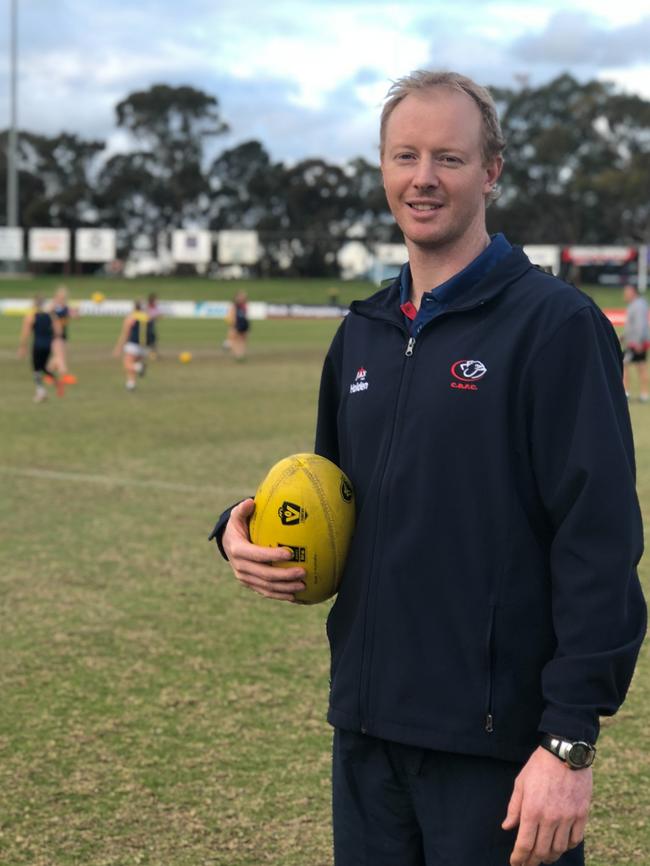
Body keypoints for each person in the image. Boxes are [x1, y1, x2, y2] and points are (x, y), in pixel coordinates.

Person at [210, 71, 646, 866]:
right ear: (382, 168)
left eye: (448, 157)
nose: (423, 178)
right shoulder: (363, 334)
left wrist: (569, 741)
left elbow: (601, 543)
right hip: (368, 736)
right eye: (404, 156)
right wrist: (238, 531)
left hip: (498, 754)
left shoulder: (555, 328)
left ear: (492, 171)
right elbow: (339, 496)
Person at [18, 296, 64, 402]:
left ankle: (41, 392)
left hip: (37, 345)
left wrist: (23, 347)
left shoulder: (32, 316)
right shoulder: (51, 316)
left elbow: (26, 332)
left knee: (36, 369)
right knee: (43, 367)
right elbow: (58, 331)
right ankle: (56, 383)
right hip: (48, 345)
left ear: (34, 304)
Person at [113, 300, 148, 391]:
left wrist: (118, 347)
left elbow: (125, 333)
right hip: (144, 346)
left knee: (127, 363)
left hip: (132, 344)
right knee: (135, 362)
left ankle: (138, 368)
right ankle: (131, 383)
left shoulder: (131, 317)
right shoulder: (146, 317)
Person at [622, 283, 649, 402]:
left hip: (636, 342)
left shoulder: (637, 306)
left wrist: (638, 342)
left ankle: (626, 393)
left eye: (627, 292)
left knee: (623, 364)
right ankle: (644, 394)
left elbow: (640, 325)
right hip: (637, 340)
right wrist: (623, 336)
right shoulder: (639, 304)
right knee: (641, 366)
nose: (625, 294)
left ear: (633, 292)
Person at [49, 284, 78, 384]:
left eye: (64, 297)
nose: (63, 299)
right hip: (54, 335)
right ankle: (64, 376)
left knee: (56, 357)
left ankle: (47, 374)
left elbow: (74, 315)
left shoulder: (65, 307)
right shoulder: (52, 307)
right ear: (56, 296)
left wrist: (75, 313)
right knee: (61, 357)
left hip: (63, 335)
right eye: (61, 297)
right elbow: (47, 317)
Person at [227, 290, 250, 360]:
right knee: (235, 339)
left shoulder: (241, 306)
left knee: (240, 339)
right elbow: (232, 316)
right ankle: (238, 354)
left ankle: (239, 354)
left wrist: (233, 325)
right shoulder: (237, 306)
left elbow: (233, 316)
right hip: (241, 323)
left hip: (241, 323)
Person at [145, 292, 162, 359]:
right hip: (145, 325)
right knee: (149, 339)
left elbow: (159, 316)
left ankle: (153, 354)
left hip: (151, 325)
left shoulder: (155, 307)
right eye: (155, 300)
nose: (157, 301)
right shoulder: (147, 306)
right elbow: (146, 316)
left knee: (153, 339)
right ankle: (151, 354)